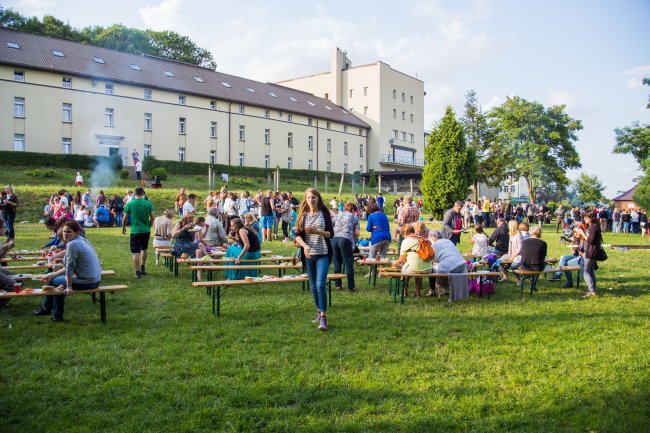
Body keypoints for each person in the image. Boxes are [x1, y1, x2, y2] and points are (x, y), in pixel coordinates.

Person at [32, 220, 102, 322]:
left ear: (76, 232)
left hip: (87, 282)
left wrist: (69, 287)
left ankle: (53, 313)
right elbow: (68, 267)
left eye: (69, 232)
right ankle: (50, 310)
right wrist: (52, 274)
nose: (65, 234)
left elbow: (69, 268)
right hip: (96, 280)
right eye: (64, 231)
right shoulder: (82, 240)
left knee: (55, 283)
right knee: (55, 280)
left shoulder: (72, 245)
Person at [295, 188, 334, 331]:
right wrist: (304, 246)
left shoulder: (324, 213)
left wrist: (316, 231)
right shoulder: (302, 215)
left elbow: (330, 234)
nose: (311, 200)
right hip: (308, 254)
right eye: (308, 198)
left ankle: (323, 318)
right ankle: (319, 311)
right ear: (305, 199)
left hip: (323, 253)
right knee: (312, 285)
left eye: (314, 198)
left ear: (319, 198)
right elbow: (297, 235)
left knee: (320, 285)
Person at [122, 187, 155, 278]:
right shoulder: (148, 203)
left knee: (135, 252)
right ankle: (143, 268)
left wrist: (123, 228)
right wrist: (149, 225)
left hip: (135, 231)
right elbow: (153, 217)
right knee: (144, 249)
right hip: (145, 230)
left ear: (134, 193)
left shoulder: (130, 203)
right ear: (143, 193)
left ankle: (137, 272)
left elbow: (124, 218)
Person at [394, 223, 432, 298]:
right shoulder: (422, 238)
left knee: (406, 269)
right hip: (428, 268)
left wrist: (394, 264)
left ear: (405, 233)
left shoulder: (406, 241)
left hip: (415, 269)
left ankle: (405, 292)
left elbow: (401, 260)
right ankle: (417, 292)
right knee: (417, 267)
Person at [427, 230, 468, 299]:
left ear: (432, 238)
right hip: (462, 266)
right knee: (442, 266)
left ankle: (433, 290)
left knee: (431, 270)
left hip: (452, 267)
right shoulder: (448, 241)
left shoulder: (434, 245)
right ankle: (445, 288)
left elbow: (433, 259)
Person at [331, 203, 360, 292]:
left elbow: (330, 225)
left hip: (335, 240)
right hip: (345, 239)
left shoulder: (338, 215)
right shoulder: (355, 217)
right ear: (353, 210)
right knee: (348, 264)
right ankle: (351, 287)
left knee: (337, 263)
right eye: (355, 211)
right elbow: (357, 234)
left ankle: (338, 285)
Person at [582, 211, 602, 298]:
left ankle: (591, 291)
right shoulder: (594, 227)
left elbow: (590, 241)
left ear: (591, 218)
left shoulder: (593, 227)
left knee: (586, 271)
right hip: (593, 251)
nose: (584, 219)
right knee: (591, 271)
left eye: (586, 218)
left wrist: (582, 233)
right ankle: (593, 289)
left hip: (591, 252)